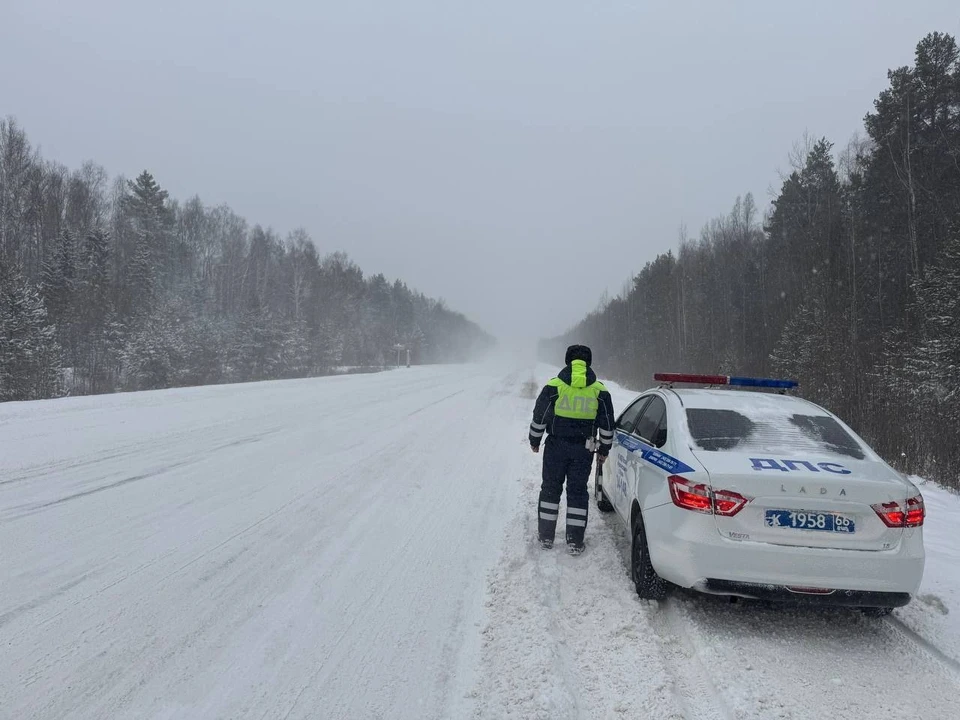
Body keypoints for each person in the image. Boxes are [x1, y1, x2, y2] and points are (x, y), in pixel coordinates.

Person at [528, 344, 615, 554]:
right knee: (577, 492)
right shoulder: (599, 390)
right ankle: (575, 541)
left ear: (567, 361)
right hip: (584, 450)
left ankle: (546, 537)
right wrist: (604, 449)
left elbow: (540, 417)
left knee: (550, 488)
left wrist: (535, 439)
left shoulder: (554, 386)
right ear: (589, 363)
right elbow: (607, 424)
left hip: (556, 446)